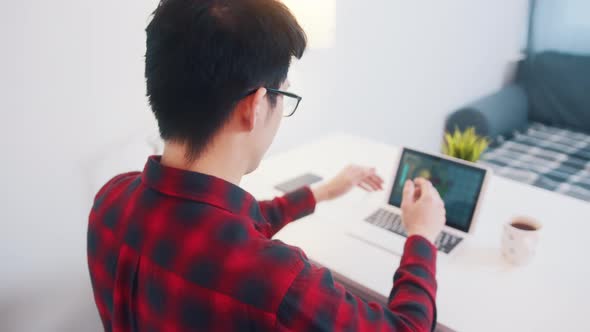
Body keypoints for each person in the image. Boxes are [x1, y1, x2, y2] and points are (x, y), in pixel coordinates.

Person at [87, 0, 446, 331]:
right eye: (283, 95)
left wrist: (322, 191)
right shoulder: (279, 284)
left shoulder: (112, 198)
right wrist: (421, 236)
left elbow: (217, 223)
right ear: (256, 106)